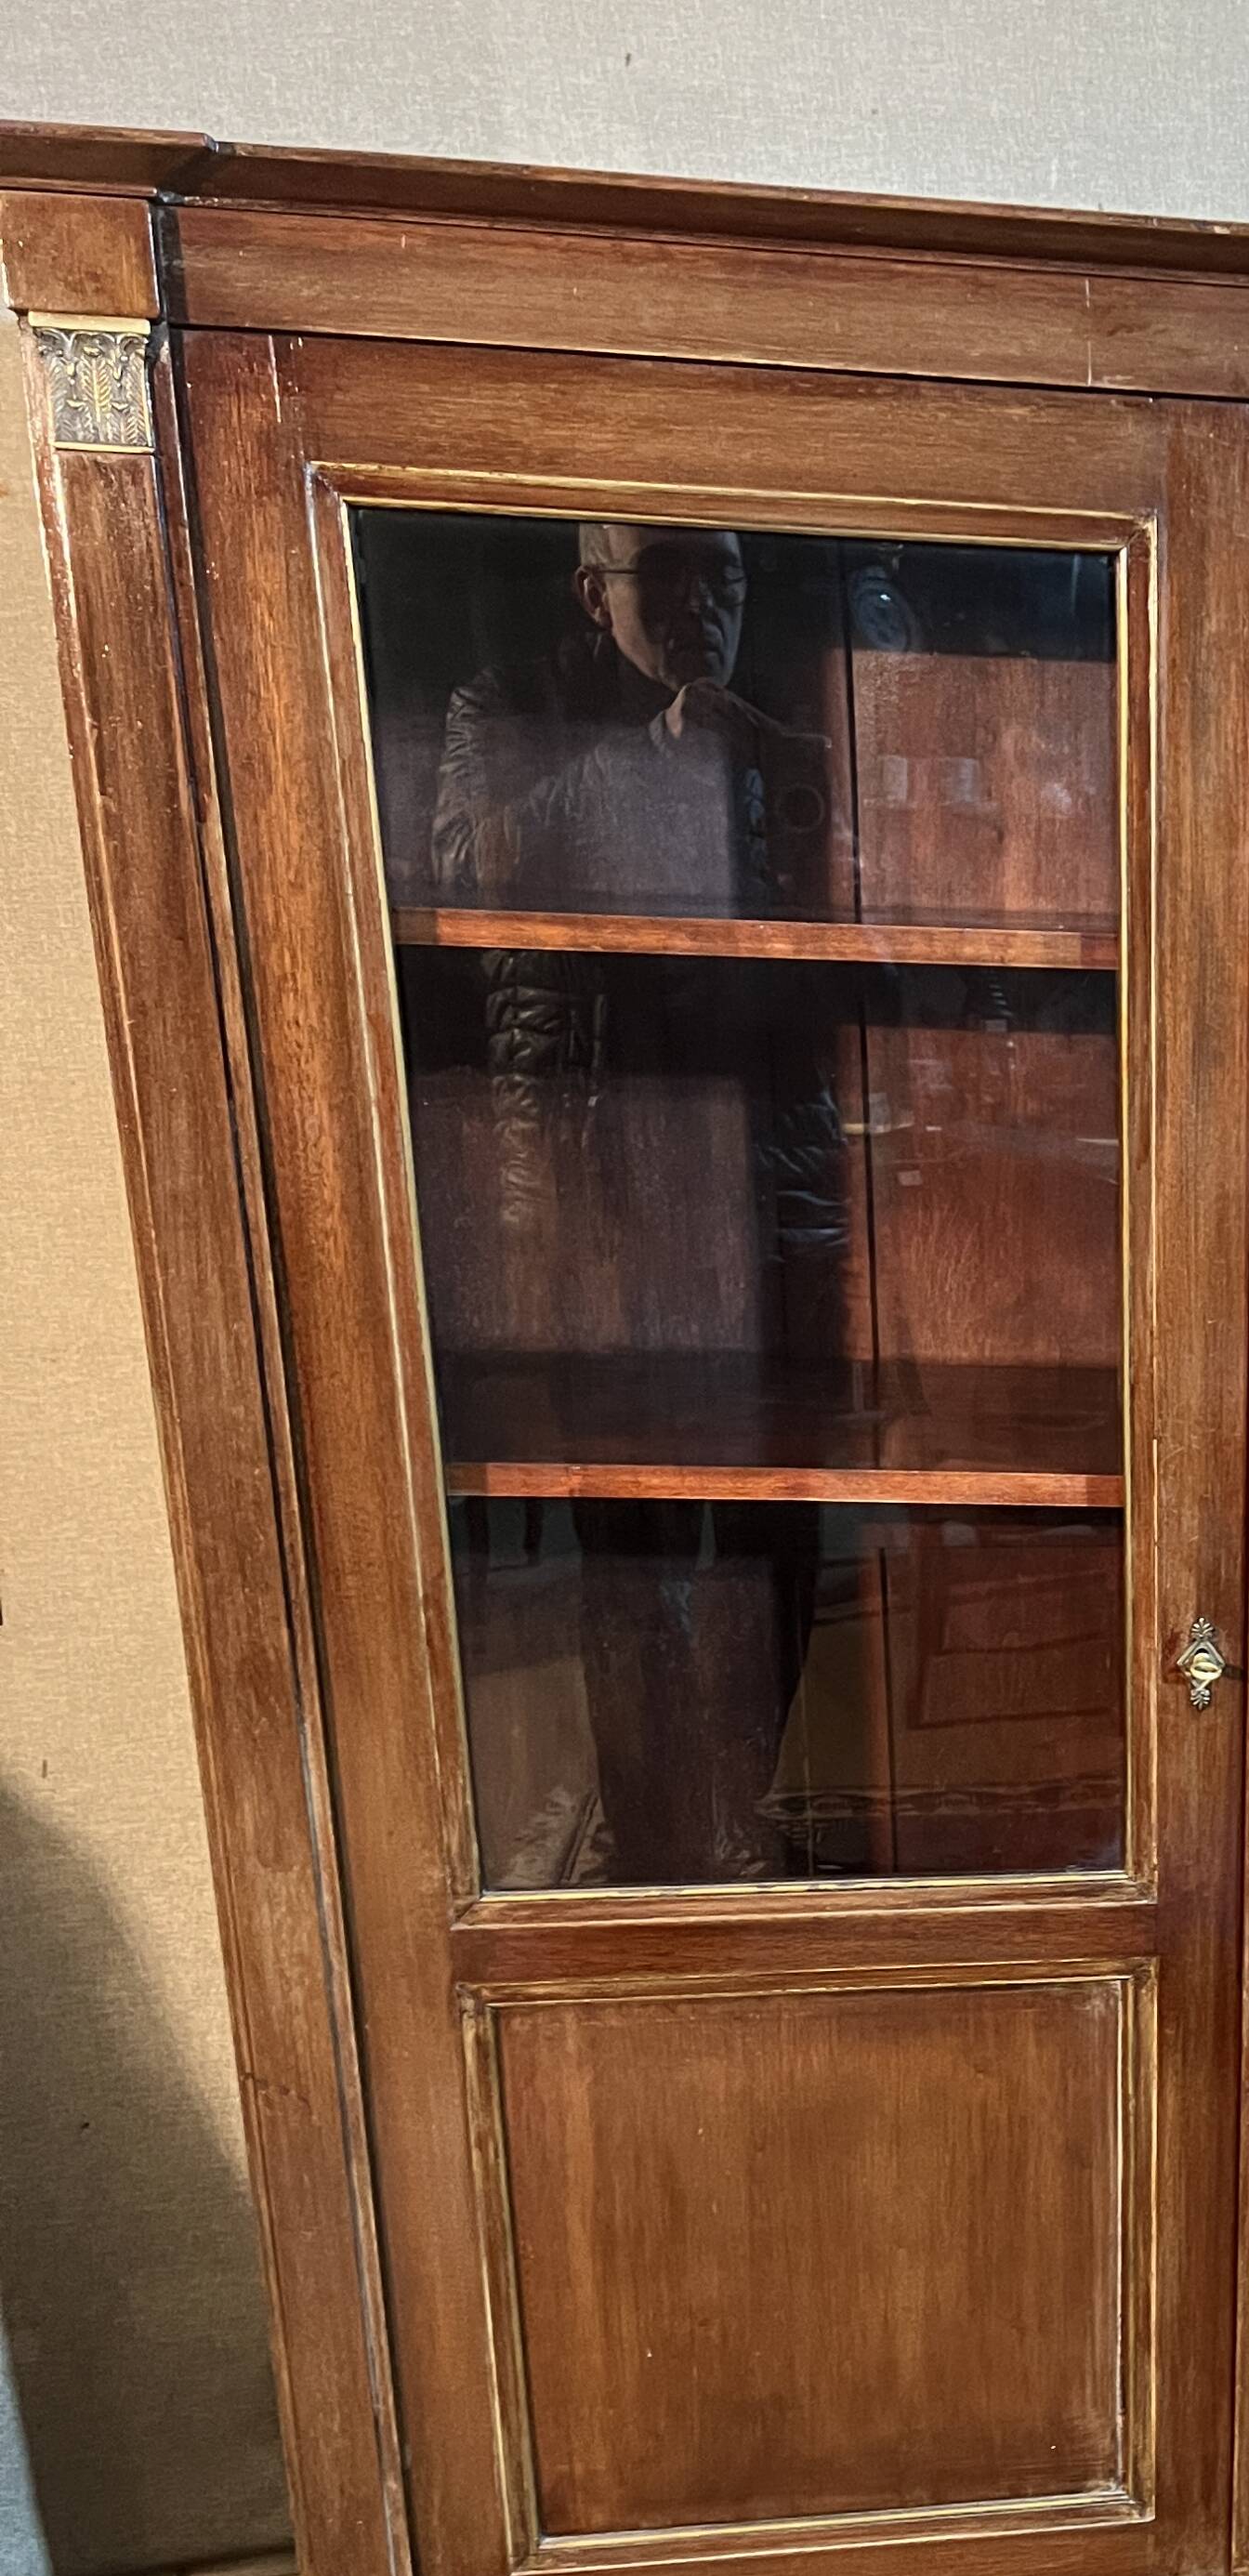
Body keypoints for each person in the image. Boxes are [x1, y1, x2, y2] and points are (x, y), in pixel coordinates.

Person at [429, 520, 848, 1885]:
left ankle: (746, 1794)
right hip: (589, 1181)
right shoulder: (509, 710)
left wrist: (779, 771)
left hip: (762, 1166)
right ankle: (649, 1824)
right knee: (628, 1529)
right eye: (662, 576)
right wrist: (648, 759)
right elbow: (465, 864)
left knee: (786, 1510)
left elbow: (844, 929)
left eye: (722, 577)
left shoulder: (769, 715)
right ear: (590, 589)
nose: (698, 606)